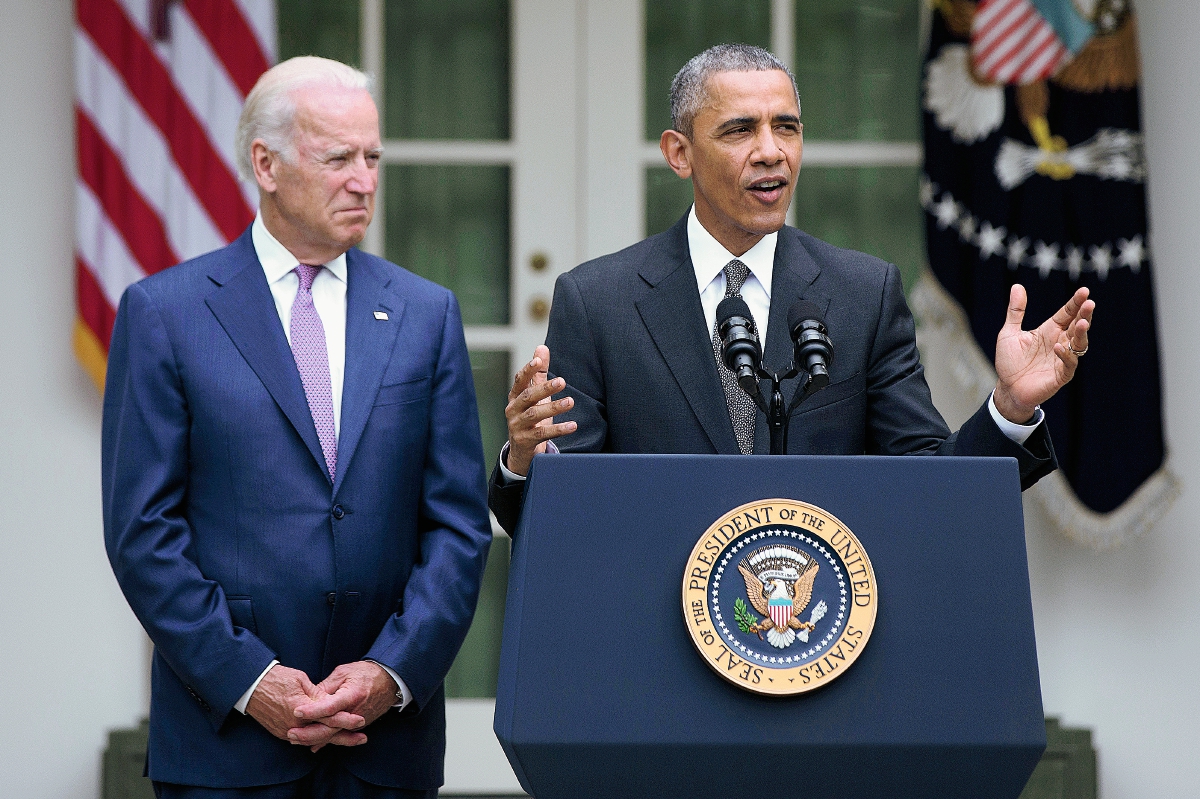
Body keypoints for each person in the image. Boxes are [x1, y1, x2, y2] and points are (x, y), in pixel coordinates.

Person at [489, 44, 1094, 535]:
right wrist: (523, 463)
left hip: (822, 641)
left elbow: (931, 489)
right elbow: (553, 519)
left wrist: (1010, 409)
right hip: (659, 647)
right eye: (738, 131)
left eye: (787, 127)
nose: (771, 152)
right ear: (680, 153)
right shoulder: (598, 302)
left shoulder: (864, 292)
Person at [102, 57, 492, 798]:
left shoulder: (426, 313)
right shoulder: (166, 314)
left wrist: (391, 671)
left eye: (373, 156)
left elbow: (458, 526)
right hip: (226, 746)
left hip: (385, 746)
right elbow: (142, 532)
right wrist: (251, 679)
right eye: (338, 157)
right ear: (266, 164)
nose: (365, 179)